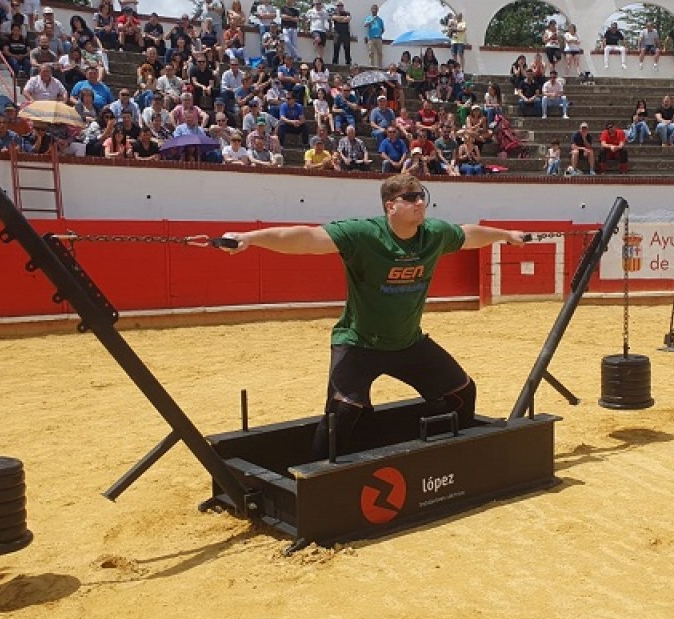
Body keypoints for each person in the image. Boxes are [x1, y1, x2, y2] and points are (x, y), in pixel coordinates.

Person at [218, 174, 525, 459]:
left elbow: (471, 234)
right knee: (343, 414)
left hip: (408, 343)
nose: (420, 202)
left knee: (462, 391)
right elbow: (307, 239)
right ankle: (315, 481)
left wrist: (507, 235)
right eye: (411, 197)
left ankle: (450, 459)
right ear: (390, 205)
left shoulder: (434, 235)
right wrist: (250, 237)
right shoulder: (364, 234)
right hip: (359, 343)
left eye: (422, 196)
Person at [331, 1, 352, 66]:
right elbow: (334, 18)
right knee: (336, 48)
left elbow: (348, 19)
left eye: (340, 6)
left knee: (347, 48)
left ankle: (348, 62)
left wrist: (339, 19)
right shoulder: (334, 13)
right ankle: (335, 62)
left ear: (342, 6)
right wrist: (342, 18)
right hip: (337, 33)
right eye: (338, 6)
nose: (339, 7)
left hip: (346, 33)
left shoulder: (347, 13)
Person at [362, 4, 384, 68]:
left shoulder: (380, 19)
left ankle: (380, 66)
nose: (375, 10)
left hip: (379, 38)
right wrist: (372, 20)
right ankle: (371, 66)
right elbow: (365, 25)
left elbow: (382, 29)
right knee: (371, 53)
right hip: (371, 38)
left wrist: (379, 34)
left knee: (380, 53)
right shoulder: (368, 18)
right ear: (371, 10)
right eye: (373, 9)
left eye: (376, 9)